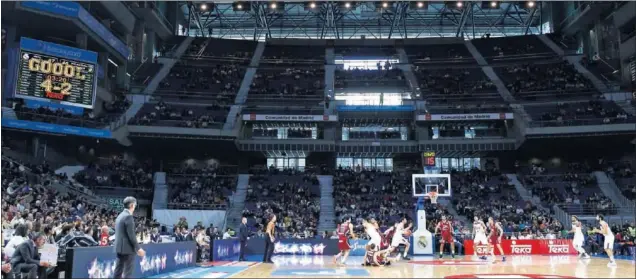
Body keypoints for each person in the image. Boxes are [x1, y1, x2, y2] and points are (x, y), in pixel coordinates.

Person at [113, 197, 145, 279]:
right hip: (127, 249)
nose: (135, 207)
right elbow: (131, 235)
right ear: (131, 205)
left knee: (118, 272)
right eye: (135, 205)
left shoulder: (120, 216)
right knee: (128, 273)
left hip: (119, 248)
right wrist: (138, 248)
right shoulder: (128, 217)